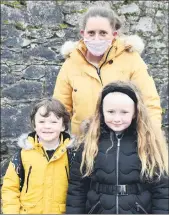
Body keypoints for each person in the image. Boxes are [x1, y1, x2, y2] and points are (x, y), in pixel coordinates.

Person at [53, 6, 162, 136]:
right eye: (91, 33)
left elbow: (149, 103)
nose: (96, 38)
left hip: (123, 143)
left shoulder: (131, 59)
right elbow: (59, 109)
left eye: (103, 33)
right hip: (83, 142)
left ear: (113, 35)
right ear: (83, 34)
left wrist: (152, 138)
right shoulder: (71, 63)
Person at [66, 81, 169, 214]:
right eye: (111, 112)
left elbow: (162, 190)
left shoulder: (150, 143)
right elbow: (77, 188)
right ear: (102, 111)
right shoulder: (89, 142)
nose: (117, 118)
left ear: (135, 112)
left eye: (124, 112)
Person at [2, 98, 75, 214]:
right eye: (41, 122)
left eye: (53, 122)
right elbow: (10, 188)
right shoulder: (23, 154)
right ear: (34, 125)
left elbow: (79, 191)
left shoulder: (72, 155)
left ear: (63, 126)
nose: (47, 126)